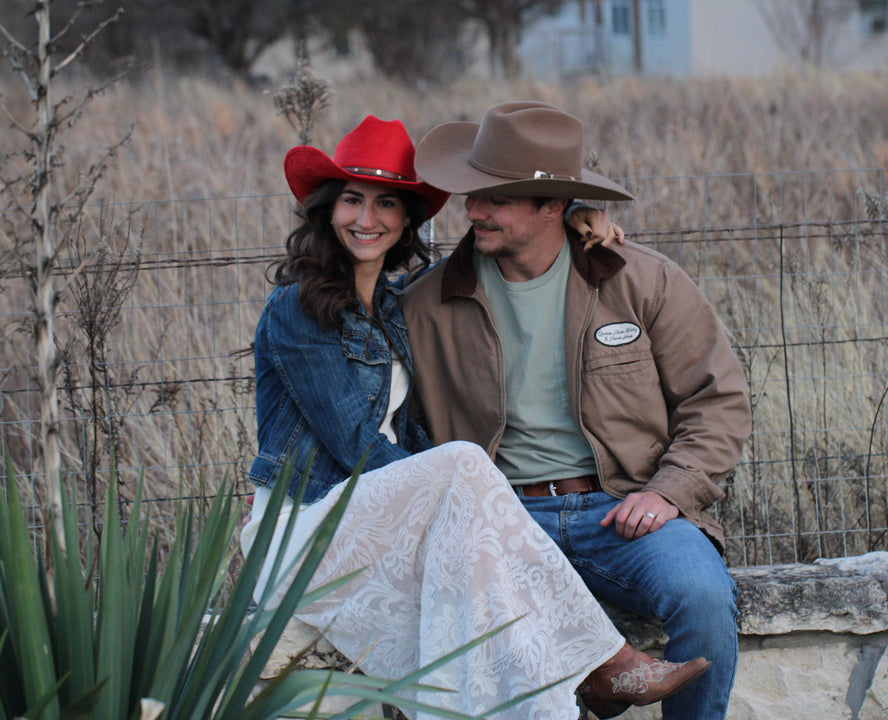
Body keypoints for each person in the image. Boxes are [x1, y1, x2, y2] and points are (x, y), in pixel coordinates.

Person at [240, 115, 711, 720]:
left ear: (407, 220)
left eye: (386, 203)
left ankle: (582, 678)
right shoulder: (298, 308)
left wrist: (573, 219)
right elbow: (358, 446)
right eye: (352, 199)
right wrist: (460, 501)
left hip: (375, 520)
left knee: (479, 574)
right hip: (307, 525)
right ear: (328, 210)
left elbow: (511, 244)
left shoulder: (396, 306)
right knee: (464, 465)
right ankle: (605, 661)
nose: (366, 218)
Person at [401, 102, 753, 720]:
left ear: (555, 206)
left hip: (622, 509)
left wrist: (670, 491)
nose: (473, 210)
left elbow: (716, 401)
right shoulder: (424, 304)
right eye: (472, 194)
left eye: (497, 198)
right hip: (500, 523)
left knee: (701, 596)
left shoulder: (642, 280)